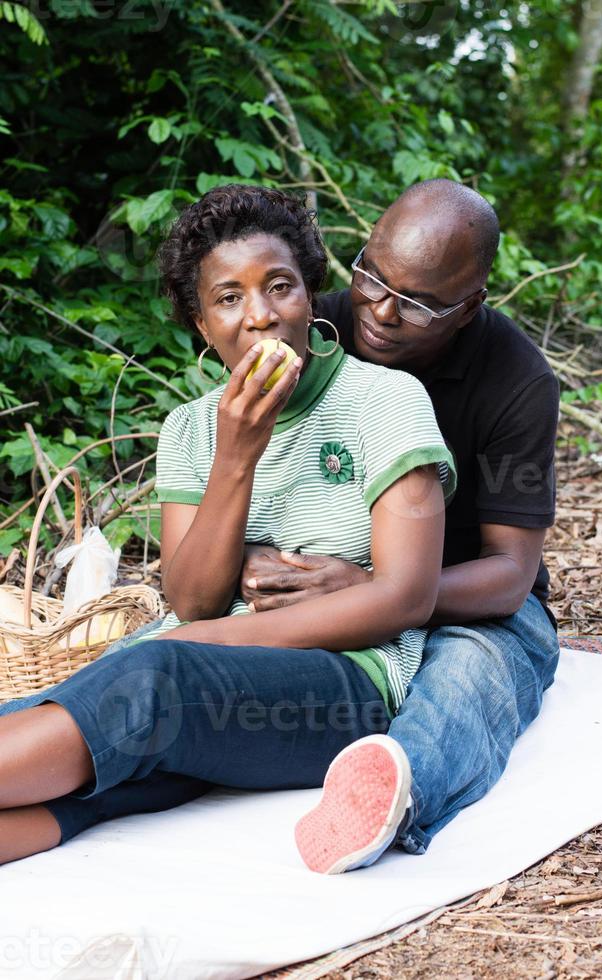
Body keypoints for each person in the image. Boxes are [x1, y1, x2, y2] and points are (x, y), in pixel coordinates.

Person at [0, 185, 456, 867]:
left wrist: (212, 639)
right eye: (229, 298)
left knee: (151, 682)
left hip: (340, 686)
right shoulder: (190, 428)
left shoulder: (385, 400)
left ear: (310, 294)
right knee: (87, 751)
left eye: (281, 287)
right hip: (200, 675)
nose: (262, 317)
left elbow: (405, 597)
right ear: (200, 322)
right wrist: (236, 453)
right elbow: (194, 599)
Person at [241, 179, 561, 873]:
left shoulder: (518, 381)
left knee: (468, 676)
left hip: (467, 600)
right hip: (320, 578)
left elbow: (510, 573)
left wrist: (381, 590)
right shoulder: (313, 330)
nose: (381, 311)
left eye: (417, 303)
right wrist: (260, 558)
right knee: (181, 652)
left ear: (470, 304)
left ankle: (396, 792)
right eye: (371, 277)